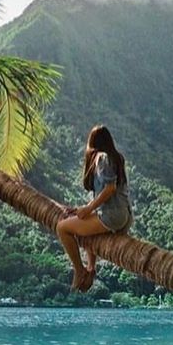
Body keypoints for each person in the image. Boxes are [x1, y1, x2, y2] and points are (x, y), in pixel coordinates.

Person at [56, 125, 134, 292]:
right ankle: (91, 268)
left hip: (112, 215)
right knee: (87, 231)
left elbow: (110, 188)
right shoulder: (115, 157)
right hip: (124, 216)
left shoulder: (101, 158)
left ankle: (79, 270)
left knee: (62, 228)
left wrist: (88, 208)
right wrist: (83, 210)